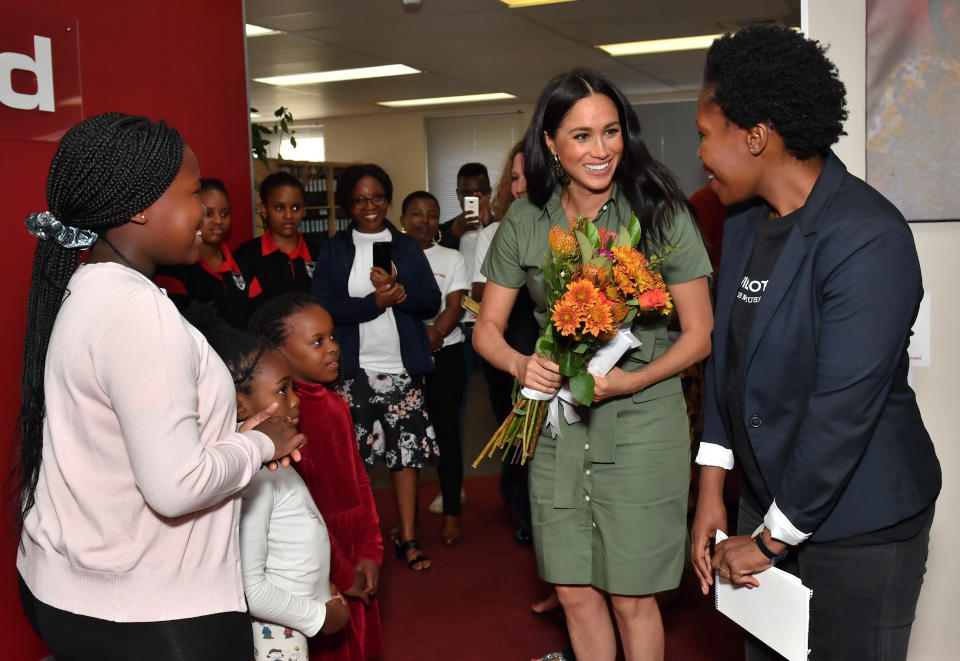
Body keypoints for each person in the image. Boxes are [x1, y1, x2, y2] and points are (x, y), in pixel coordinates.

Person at [690, 26, 941, 661]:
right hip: (766, 504)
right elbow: (728, 361)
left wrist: (772, 540)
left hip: (859, 524)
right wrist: (713, 488)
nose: (699, 153)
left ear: (754, 137)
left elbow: (841, 412)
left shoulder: (867, 236)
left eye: (703, 132)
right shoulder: (744, 221)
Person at [13, 112, 305, 660]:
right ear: (142, 205)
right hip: (150, 612)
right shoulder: (139, 313)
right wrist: (265, 442)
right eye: (195, 192)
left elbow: (121, 440)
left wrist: (227, 435)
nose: (205, 212)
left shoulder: (90, 287)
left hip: (70, 587)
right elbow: (176, 488)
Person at [474, 69, 713, 661]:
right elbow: (486, 330)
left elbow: (701, 334)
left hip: (641, 423)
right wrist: (520, 364)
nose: (600, 149)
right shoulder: (526, 222)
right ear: (550, 144)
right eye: (580, 136)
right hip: (559, 430)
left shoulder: (660, 214)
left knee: (634, 598)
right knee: (574, 591)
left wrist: (633, 379)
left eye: (610, 132)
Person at [196, 322, 350, 659]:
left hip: (291, 617)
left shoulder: (269, 458)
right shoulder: (252, 476)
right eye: (282, 390)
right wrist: (320, 616)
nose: (295, 401)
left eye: (293, 388)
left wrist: (319, 588)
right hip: (274, 631)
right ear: (239, 406)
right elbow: (251, 588)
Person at [250, 294, 384, 660]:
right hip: (319, 564)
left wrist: (372, 549)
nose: (333, 349)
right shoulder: (285, 420)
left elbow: (360, 482)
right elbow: (308, 514)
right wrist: (342, 574)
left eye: (333, 337)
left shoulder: (335, 402)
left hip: (355, 548)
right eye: (317, 342)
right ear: (280, 352)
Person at [400, 191, 469, 546]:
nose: (424, 221)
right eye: (416, 214)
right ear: (403, 220)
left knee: (446, 436)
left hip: (447, 354)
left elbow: (456, 304)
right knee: (405, 441)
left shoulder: (452, 257)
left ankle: (452, 513)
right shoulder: (391, 256)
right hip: (401, 358)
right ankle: (407, 518)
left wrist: (436, 333)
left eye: (431, 215)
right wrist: (417, 337)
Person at [154, 178, 253, 327]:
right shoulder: (174, 267)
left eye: (224, 213)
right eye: (209, 213)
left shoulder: (242, 263)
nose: (218, 220)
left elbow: (259, 314)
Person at [237, 171, 323, 308]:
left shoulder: (319, 252)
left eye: (295, 207)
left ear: (304, 210)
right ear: (264, 210)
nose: (289, 215)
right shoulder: (247, 254)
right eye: (279, 208)